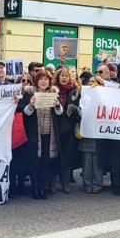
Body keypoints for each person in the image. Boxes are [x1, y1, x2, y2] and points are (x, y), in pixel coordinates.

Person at [22, 71, 64, 200]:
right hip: (35, 134)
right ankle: (35, 187)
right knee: (35, 162)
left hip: (49, 135)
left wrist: (58, 106)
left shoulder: (53, 94)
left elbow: (59, 113)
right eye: (41, 79)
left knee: (46, 162)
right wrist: (31, 105)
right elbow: (25, 113)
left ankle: (42, 187)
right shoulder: (29, 93)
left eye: (46, 79)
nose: (44, 81)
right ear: (36, 81)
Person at [52, 67, 78, 194]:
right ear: (58, 77)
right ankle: (52, 182)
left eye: (66, 76)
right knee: (53, 154)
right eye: (62, 75)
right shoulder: (52, 91)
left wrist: (75, 111)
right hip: (54, 127)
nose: (64, 78)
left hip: (68, 129)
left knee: (66, 156)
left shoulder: (74, 91)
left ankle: (65, 183)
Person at [9, 73, 33, 197]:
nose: (25, 82)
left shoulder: (31, 95)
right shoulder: (12, 94)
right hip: (14, 130)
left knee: (24, 159)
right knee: (13, 159)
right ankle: (12, 185)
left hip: (27, 130)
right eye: (22, 80)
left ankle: (22, 184)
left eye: (27, 80)